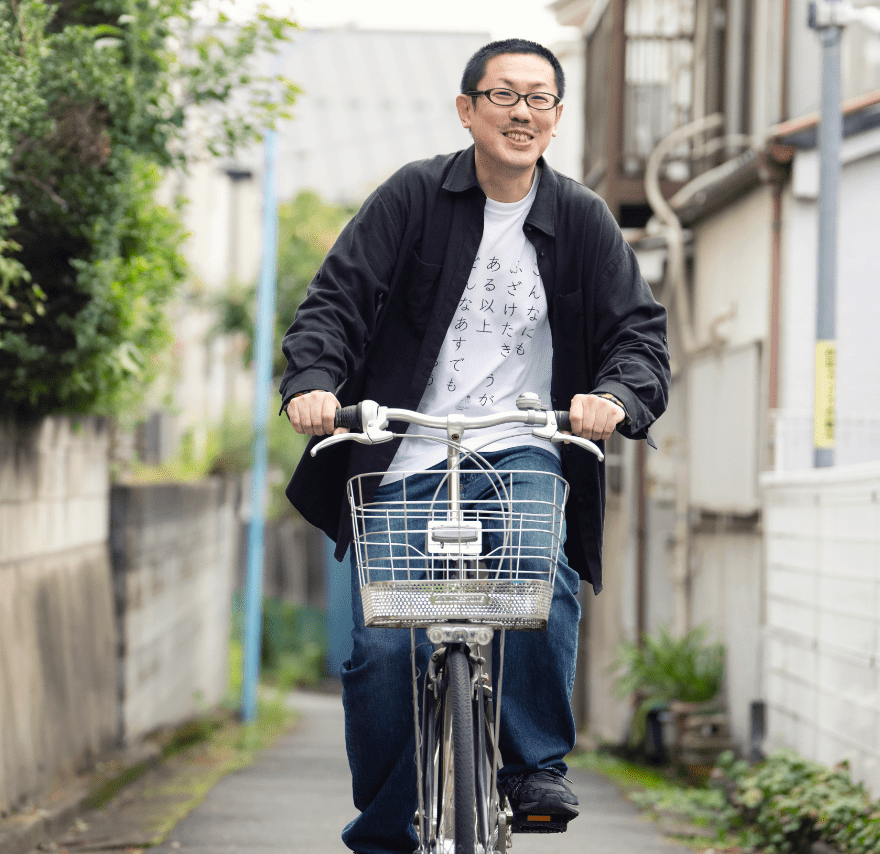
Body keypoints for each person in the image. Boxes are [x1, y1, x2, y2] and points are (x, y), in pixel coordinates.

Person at [278, 38, 670, 854]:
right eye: (504, 95)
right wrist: (313, 383)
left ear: (557, 118)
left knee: (539, 573)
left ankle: (532, 767)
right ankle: (387, 829)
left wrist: (615, 398)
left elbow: (639, 334)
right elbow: (335, 302)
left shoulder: (583, 218)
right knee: (381, 653)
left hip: (523, 443)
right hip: (405, 453)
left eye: (540, 98)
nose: (522, 111)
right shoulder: (415, 197)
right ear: (467, 109)